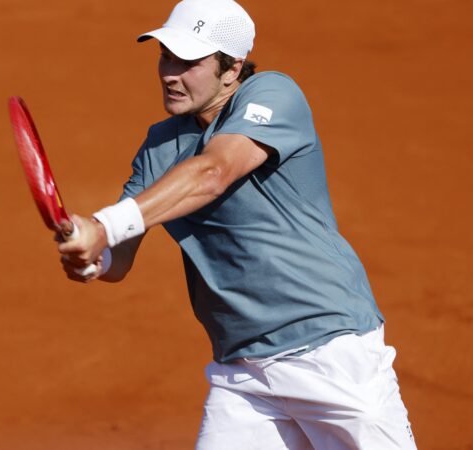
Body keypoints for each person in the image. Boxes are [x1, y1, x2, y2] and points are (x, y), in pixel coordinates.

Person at [57, 0, 416, 448]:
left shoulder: (272, 94)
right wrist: (90, 255)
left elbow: (213, 173)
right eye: (166, 56)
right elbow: (120, 256)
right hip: (241, 374)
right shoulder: (159, 145)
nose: (170, 72)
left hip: (328, 352)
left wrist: (103, 226)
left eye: (189, 61)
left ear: (233, 68)